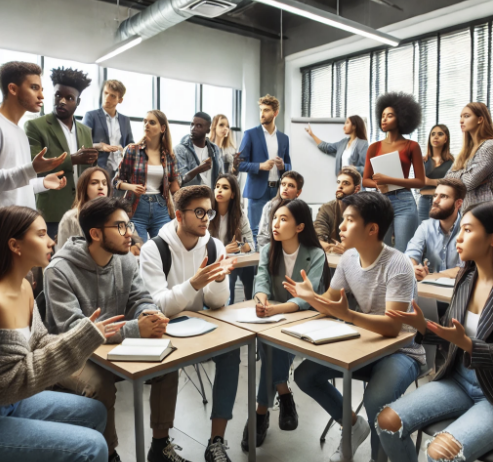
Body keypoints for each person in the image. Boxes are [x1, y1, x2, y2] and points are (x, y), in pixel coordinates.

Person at [284, 192, 426, 462]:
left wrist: (348, 315)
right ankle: (352, 426)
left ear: (372, 229)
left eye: (349, 220)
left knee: (376, 398)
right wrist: (311, 297)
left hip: (401, 351)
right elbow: (331, 302)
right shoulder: (349, 258)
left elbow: (393, 328)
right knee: (305, 375)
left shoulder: (398, 264)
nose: (340, 226)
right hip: (363, 343)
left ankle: (377, 459)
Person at [43, 197, 179, 462]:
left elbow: (140, 298)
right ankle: (109, 453)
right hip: (68, 354)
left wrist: (148, 314)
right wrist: (135, 329)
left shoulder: (124, 258)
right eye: (120, 227)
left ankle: (160, 446)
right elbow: (73, 330)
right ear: (95, 233)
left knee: (167, 364)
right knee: (100, 383)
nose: (130, 233)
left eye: (128, 225)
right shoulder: (58, 270)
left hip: (114, 346)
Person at [0, 205, 126, 462]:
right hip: (7, 398)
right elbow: (11, 382)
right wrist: (81, 339)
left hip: (14, 401)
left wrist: (86, 334)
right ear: (15, 245)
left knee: (96, 412)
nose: (51, 240)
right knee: (92, 447)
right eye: (42, 234)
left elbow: (38, 342)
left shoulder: (25, 288)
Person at [377, 201, 493, 462]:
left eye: (468, 230)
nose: (458, 238)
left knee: (439, 453)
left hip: (491, 394)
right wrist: (423, 327)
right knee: (387, 422)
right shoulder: (466, 277)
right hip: (459, 380)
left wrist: (469, 344)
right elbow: (451, 334)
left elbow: (462, 339)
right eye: (460, 229)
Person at [139, 185, 239, 462]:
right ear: (179, 216)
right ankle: (159, 446)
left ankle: (216, 441)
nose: (206, 218)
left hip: (198, 325)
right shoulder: (154, 249)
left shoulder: (213, 244)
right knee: (167, 358)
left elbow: (217, 303)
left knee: (231, 351)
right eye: (198, 212)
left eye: (208, 211)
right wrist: (194, 283)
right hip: (164, 328)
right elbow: (159, 306)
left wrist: (217, 281)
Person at [241, 199, 328, 452]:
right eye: (274, 218)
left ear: (300, 226)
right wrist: (261, 301)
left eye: (283, 219)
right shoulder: (269, 250)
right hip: (273, 315)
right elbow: (261, 282)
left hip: (304, 317)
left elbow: (306, 298)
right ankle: (283, 392)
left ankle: (260, 412)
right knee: (270, 341)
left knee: (271, 341)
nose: (275, 224)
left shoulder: (316, 253)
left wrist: (275, 309)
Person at [25, 67, 98, 239]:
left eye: (69, 98)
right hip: (51, 211)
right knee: (51, 261)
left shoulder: (85, 131)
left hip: (82, 210)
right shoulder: (35, 127)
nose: (62, 101)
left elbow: (88, 171)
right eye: (58, 95)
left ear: (78, 102)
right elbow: (33, 167)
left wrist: (92, 161)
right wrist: (72, 159)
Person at [363, 92, 425, 253]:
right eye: (382, 115)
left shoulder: (412, 146)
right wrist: (378, 183)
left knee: (403, 252)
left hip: (404, 201)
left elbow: (420, 181)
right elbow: (365, 180)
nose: (384, 119)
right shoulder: (374, 147)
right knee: (380, 252)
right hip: (380, 202)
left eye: (389, 116)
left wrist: (389, 179)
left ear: (401, 118)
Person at [0, 61, 67, 209]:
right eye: (34, 88)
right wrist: (32, 169)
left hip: (22, 226)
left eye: (41, 89)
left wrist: (42, 183)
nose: (41, 95)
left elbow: (17, 186)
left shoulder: (20, 132)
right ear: (12, 88)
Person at [114, 110, 181, 243]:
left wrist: (183, 205)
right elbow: (116, 181)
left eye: (152, 122)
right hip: (136, 207)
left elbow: (174, 185)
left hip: (161, 208)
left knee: (164, 249)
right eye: (145, 122)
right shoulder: (132, 150)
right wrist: (131, 187)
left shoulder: (169, 156)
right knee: (138, 250)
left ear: (162, 128)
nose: (146, 125)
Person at [238, 94, 291, 242]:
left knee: (277, 234)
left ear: (275, 113)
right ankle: (257, 266)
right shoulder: (250, 134)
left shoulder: (284, 138)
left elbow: (289, 166)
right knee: (256, 233)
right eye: (261, 110)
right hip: (257, 193)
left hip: (278, 192)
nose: (262, 114)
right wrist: (260, 166)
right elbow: (240, 164)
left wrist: (283, 166)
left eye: (266, 110)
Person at [406, 178, 465, 281]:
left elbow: (464, 269)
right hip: (430, 292)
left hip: (459, 292)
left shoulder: (468, 229)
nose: (435, 201)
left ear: (458, 203)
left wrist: (429, 277)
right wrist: (414, 268)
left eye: (443, 196)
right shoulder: (425, 227)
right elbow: (411, 254)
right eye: (435, 195)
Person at [209, 173, 255, 304]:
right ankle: (228, 303)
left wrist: (240, 246)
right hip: (214, 261)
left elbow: (251, 244)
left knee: (247, 268)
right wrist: (224, 249)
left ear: (233, 194)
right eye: (217, 186)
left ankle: (249, 302)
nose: (219, 190)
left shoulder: (239, 215)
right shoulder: (207, 214)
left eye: (225, 187)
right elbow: (202, 247)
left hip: (234, 259)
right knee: (230, 270)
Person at [445, 102, 493, 210]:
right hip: (468, 213)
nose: (461, 121)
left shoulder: (489, 146)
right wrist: (466, 173)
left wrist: (457, 174)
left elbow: (469, 182)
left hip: (485, 215)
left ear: (480, 119)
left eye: (466, 116)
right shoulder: (466, 152)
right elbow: (447, 179)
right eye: (461, 117)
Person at [82, 79, 134, 176]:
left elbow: (131, 145)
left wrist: (124, 149)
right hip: (99, 169)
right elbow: (82, 144)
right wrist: (99, 146)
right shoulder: (91, 116)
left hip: (121, 169)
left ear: (120, 100)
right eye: (105, 93)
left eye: (112, 96)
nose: (107, 98)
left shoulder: (125, 120)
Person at [57, 166, 111, 250]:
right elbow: (61, 254)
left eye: (105, 183)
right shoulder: (70, 218)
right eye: (94, 183)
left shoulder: (116, 215)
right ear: (84, 187)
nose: (101, 187)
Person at [314, 166, 361, 254]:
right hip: (332, 259)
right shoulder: (326, 208)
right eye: (338, 182)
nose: (340, 186)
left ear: (357, 189)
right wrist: (331, 247)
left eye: (346, 183)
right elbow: (317, 239)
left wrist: (349, 250)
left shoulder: (363, 210)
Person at [257, 170, 304, 251]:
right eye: (283, 184)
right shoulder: (269, 206)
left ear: (298, 192)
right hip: (272, 252)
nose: (285, 188)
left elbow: (305, 238)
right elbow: (263, 237)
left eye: (291, 186)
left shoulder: (303, 209)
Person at [175, 112, 223, 188]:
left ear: (208, 130)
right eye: (192, 124)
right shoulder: (180, 149)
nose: (193, 128)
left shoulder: (215, 149)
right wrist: (199, 169)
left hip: (211, 197)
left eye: (199, 126)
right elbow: (181, 179)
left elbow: (221, 177)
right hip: (190, 198)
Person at [418, 124, 454, 222]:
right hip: (424, 201)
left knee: (441, 234)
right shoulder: (422, 160)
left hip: (442, 201)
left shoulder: (452, 162)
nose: (436, 137)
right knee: (424, 234)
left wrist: (429, 181)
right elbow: (418, 182)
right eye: (433, 134)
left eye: (440, 134)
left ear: (446, 139)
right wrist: (442, 181)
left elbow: (452, 183)